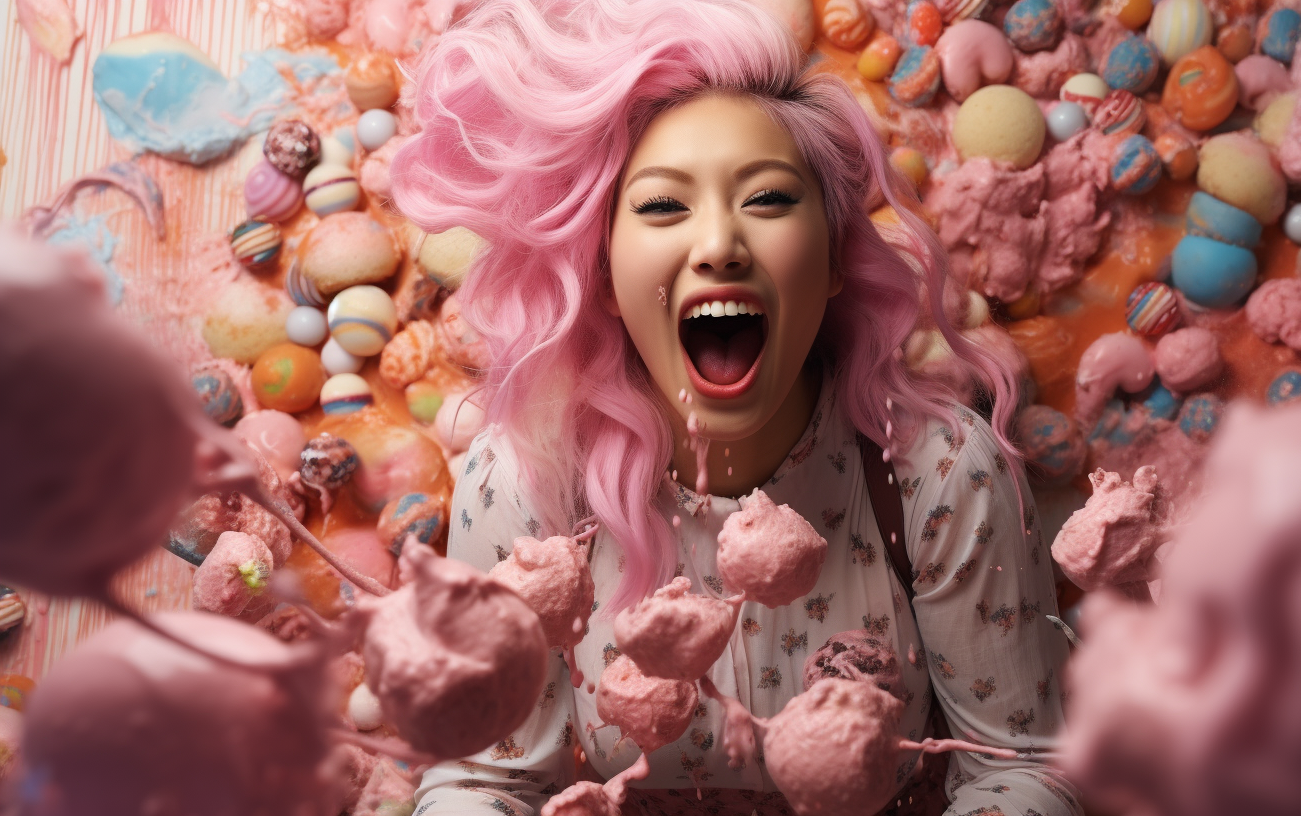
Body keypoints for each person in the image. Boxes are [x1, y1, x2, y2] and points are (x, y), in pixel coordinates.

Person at [391, 1, 1079, 814]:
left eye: (768, 200)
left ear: (831, 259)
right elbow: (485, 778)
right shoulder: (527, 483)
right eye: (662, 207)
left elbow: (1018, 766)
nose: (719, 243)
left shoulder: (935, 472)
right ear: (605, 276)